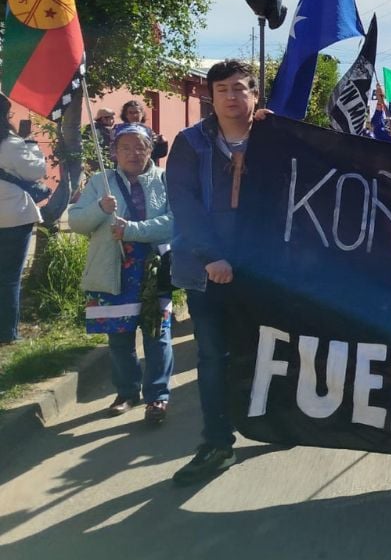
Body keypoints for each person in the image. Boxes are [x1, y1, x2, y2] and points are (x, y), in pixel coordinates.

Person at [166, 59, 269, 485]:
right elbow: (184, 203)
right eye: (223, 88)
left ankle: (277, 422)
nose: (232, 96)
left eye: (241, 88)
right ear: (210, 95)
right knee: (213, 358)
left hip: (264, 271)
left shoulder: (273, 138)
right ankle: (216, 443)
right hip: (207, 270)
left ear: (254, 95)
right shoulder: (190, 143)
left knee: (268, 352)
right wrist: (211, 255)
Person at [68, 124, 174, 423]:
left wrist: (133, 230)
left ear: (150, 150)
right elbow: (77, 222)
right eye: (125, 147)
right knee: (119, 338)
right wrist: (100, 208)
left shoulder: (164, 180)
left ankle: (158, 397)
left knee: (158, 335)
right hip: (113, 268)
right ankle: (127, 392)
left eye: (140, 146)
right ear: (114, 152)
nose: (133, 153)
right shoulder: (101, 181)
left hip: (153, 269)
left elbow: (177, 221)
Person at [0, 93, 46, 345]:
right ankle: (7, 333)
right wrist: (32, 145)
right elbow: (36, 171)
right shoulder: (10, 144)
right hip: (13, 217)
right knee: (8, 277)